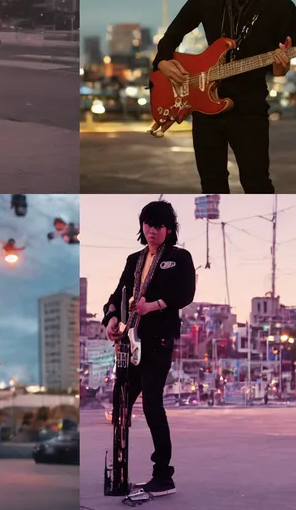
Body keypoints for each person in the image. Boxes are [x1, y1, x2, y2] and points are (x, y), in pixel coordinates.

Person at [153, 0, 296, 194]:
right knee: (211, 185)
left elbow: (279, 69)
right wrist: (163, 62)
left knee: (257, 185)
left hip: (249, 110)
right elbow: (170, 38)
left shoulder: (281, 8)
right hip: (204, 107)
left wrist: (281, 66)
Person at [100, 201, 197, 499]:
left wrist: (152, 306)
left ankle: (163, 475)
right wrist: (112, 318)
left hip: (158, 341)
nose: (152, 230)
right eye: (148, 224)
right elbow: (116, 295)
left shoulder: (179, 257)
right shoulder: (134, 260)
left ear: (169, 229)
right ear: (142, 227)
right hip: (130, 342)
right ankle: (119, 470)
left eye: (158, 225)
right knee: (120, 403)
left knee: (153, 404)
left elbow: (185, 294)